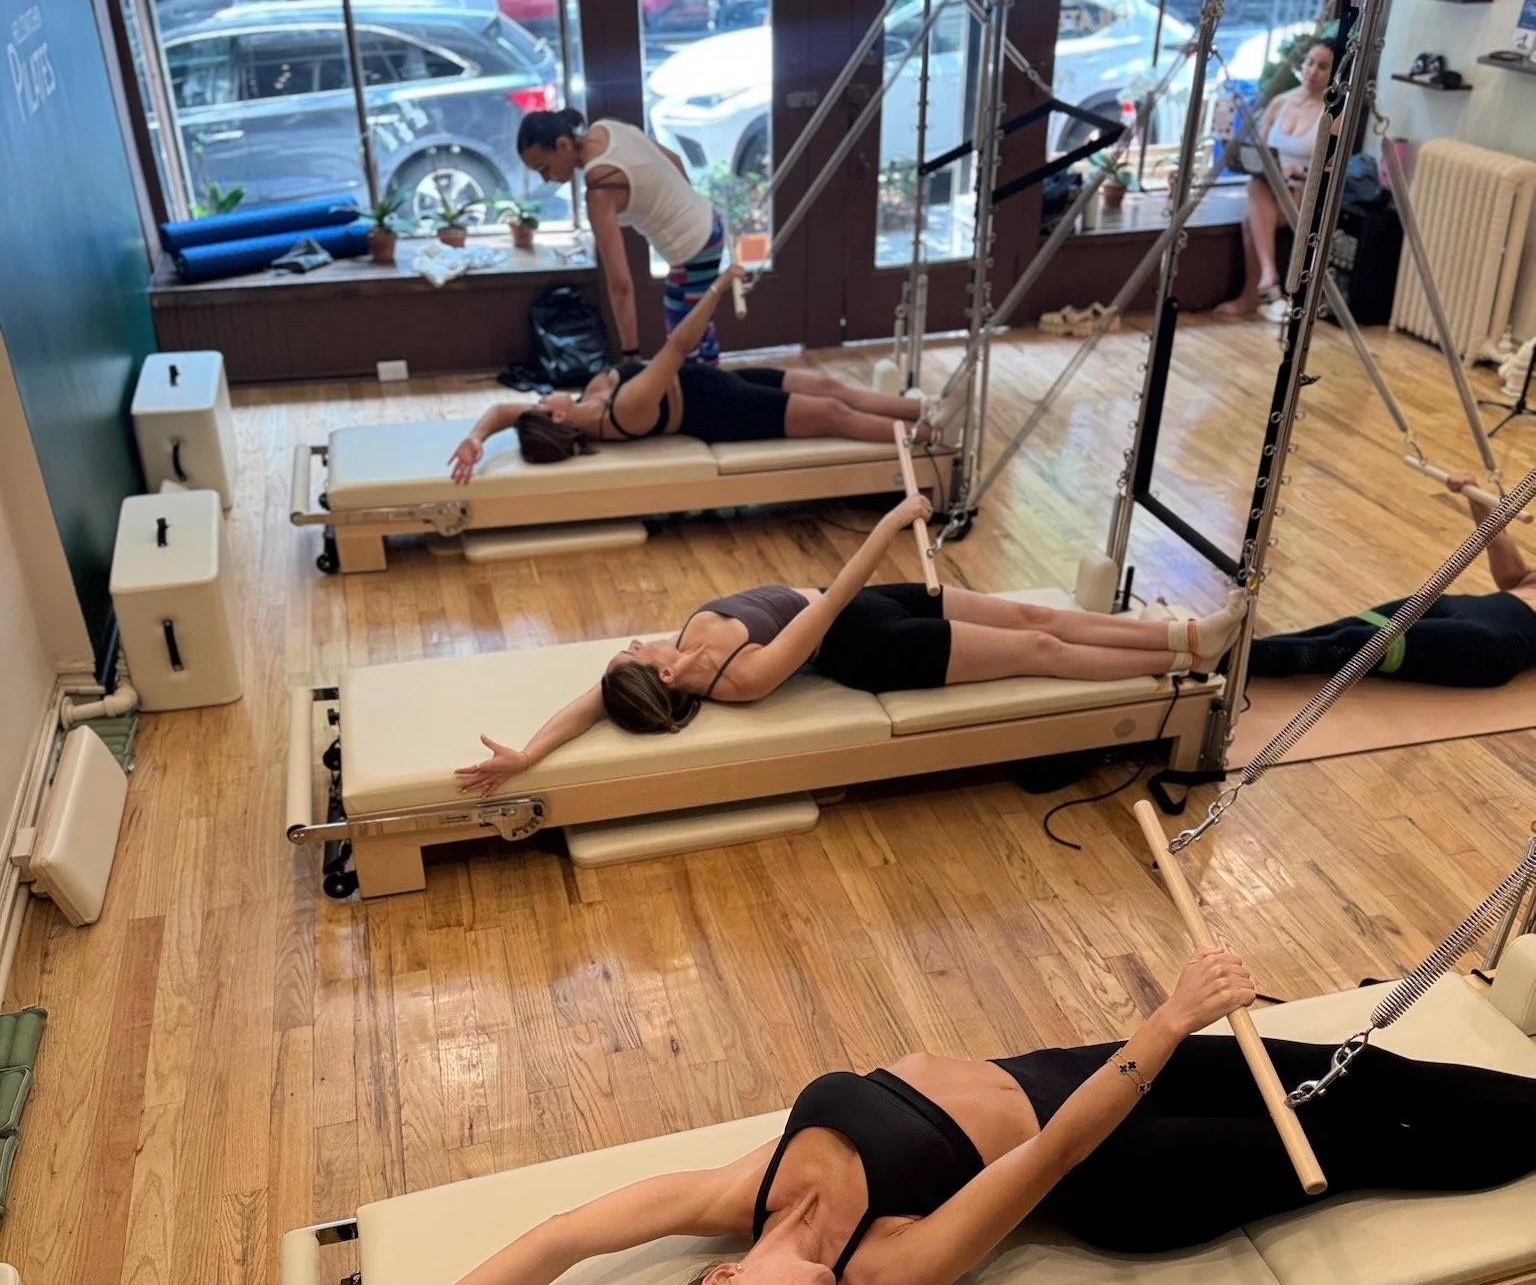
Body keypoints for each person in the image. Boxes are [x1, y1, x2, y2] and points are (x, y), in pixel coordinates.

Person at [309, 944, 1536, 1285]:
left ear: (722, 1275)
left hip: (1071, 1065)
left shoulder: (746, 1190)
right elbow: (1050, 1159)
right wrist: (1167, 1021)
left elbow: (561, 1237)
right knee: (1371, 1139)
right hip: (1126, 1165)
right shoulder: (884, 1271)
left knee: (1366, 1067)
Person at [451, 491, 1248, 791]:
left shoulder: (667, 655)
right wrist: (890, 524)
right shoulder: (743, 676)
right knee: (1040, 655)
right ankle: (1183, 663)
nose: (627, 642)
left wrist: (526, 754)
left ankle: (1180, 633)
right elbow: (829, 604)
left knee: (1032, 616)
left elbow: (583, 707)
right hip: (877, 646)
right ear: (659, 676)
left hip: (866, 606)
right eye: (630, 654)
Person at [448, 266, 935, 482]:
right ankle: (924, 436)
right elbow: (678, 346)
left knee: (829, 386)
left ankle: (921, 406)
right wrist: (719, 285)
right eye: (541, 406)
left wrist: (475, 439)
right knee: (832, 413)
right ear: (557, 420)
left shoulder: (575, 406)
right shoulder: (624, 410)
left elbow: (501, 411)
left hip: (722, 384)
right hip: (727, 410)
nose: (539, 399)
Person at [1250, 472, 1536, 687]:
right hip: (1466, 607)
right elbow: (1514, 577)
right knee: (1344, 628)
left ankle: (1225, 661)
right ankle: (1230, 655)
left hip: (1494, 641)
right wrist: (1478, 500)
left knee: (1351, 644)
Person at [517, 107, 726, 365]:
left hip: (692, 250)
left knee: (683, 349)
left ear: (563, 145)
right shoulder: (607, 127)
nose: (546, 179)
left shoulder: (599, 187)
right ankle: (716, 388)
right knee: (698, 328)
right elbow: (674, 160)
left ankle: (711, 398)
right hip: (710, 224)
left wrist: (630, 354)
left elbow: (620, 285)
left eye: (544, 168)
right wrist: (684, 209)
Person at [1218, 40, 1336, 320]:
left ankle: (1255, 291)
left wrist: (1298, 170)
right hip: (1269, 188)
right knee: (1257, 188)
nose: (1312, 71)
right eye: (1309, 62)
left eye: (1322, 67)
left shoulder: (1333, 115)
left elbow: (1333, 172)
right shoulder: (1280, 103)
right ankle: (1268, 276)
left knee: (1253, 210)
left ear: (1334, 74)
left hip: (1303, 194)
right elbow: (1258, 151)